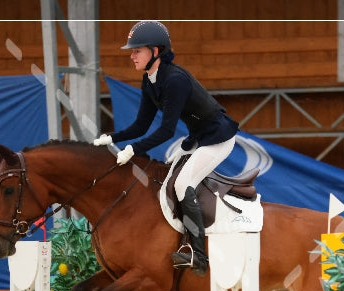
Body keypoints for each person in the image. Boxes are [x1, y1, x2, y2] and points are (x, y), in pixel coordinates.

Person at [94, 20, 239, 276]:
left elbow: (167, 131)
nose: (132, 55)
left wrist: (133, 150)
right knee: (166, 179)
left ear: (156, 51)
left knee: (183, 185)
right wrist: (113, 137)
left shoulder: (175, 81)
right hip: (199, 138)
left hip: (218, 138)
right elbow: (141, 125)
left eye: (137, 50)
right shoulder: (149, 81)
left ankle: (198, 255)